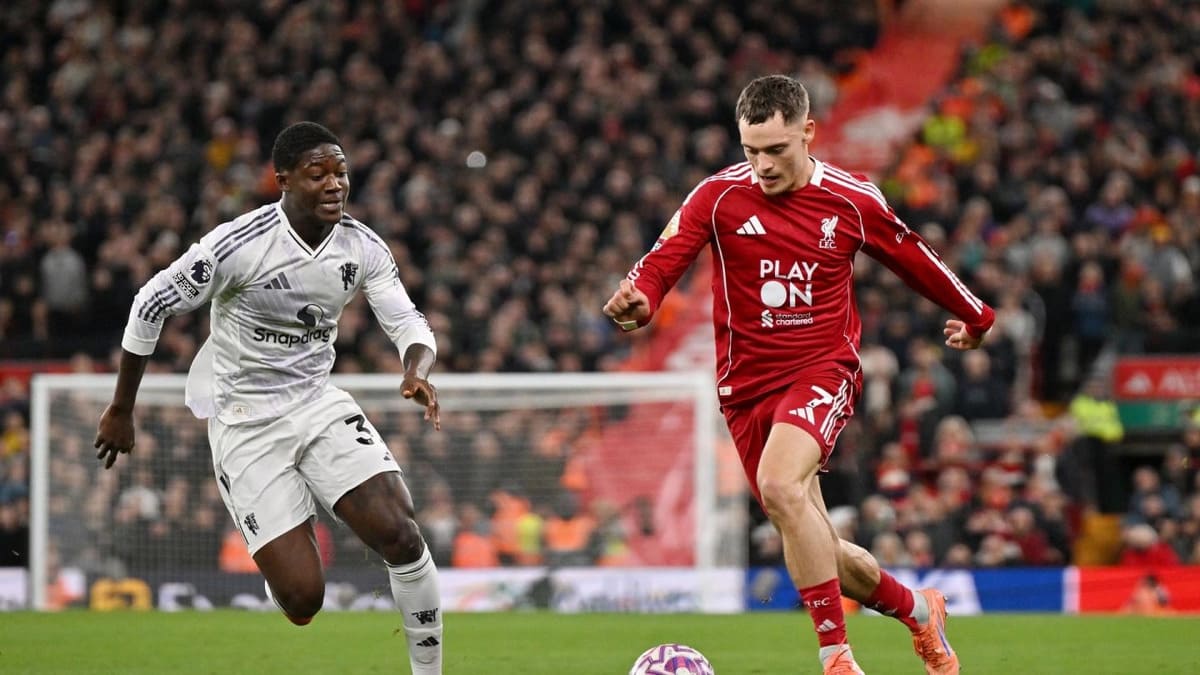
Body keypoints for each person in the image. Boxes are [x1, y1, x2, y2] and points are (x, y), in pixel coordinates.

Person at [604, 75, 993, 674]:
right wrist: (641, 301)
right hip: (744, 390)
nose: (762, 165)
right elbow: (661, 261)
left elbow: (916, 258)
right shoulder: (718, 197)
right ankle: (920, 611)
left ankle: (837, 658)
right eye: (751, 150)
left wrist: (976, 315)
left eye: (776, 149)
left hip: (821, 370)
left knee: (781, 487)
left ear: (808, 132)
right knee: (815, 541)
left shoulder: (852, 200)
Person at [94, 122, 444, 674]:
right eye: (318, 173)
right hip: (245, 422)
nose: (335, 184)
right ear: (283, 180)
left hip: (315, 401)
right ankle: (283, 548)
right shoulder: (239, 246)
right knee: (303, 600)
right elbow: (150, 304)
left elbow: (409, 322)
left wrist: (415, 369)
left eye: (341, 172)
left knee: (401, 533)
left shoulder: (361, 246)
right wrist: (121, 407)